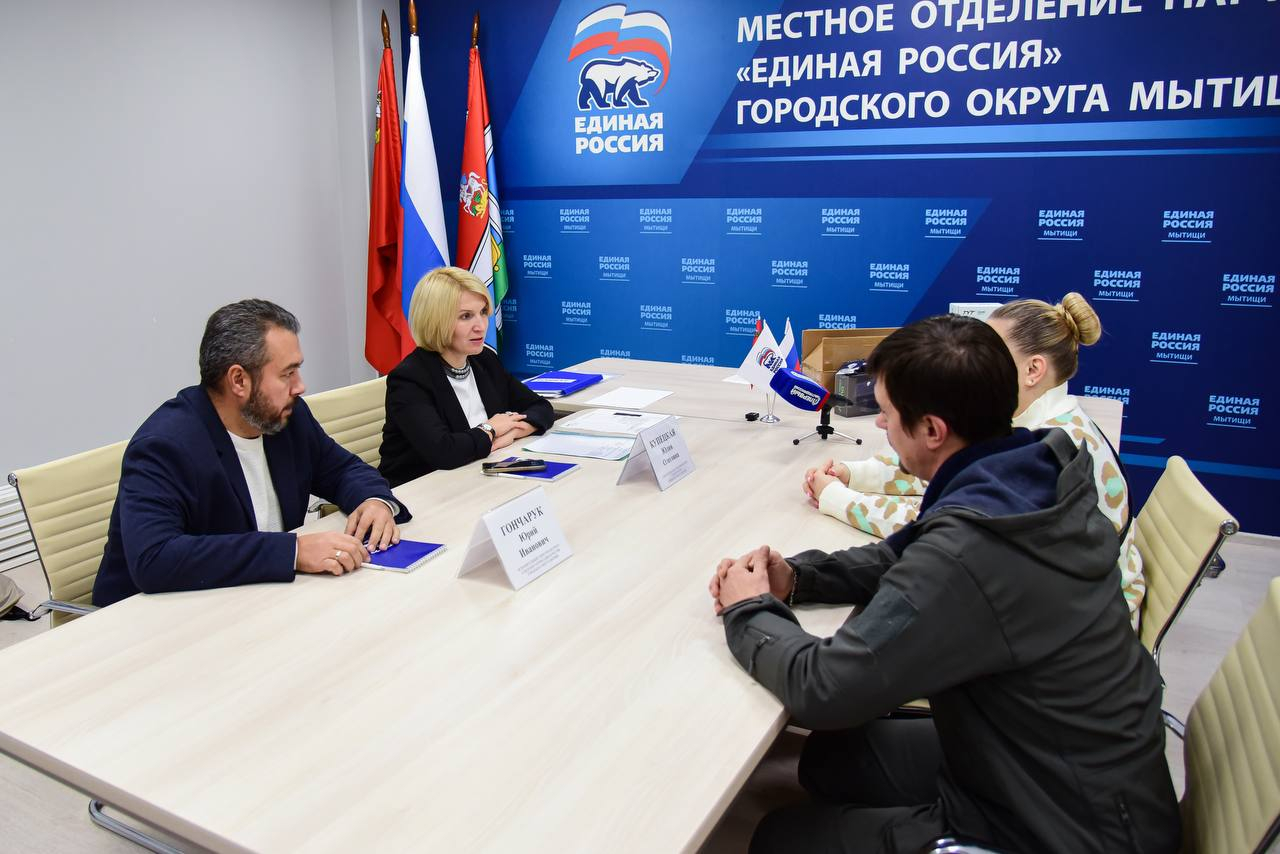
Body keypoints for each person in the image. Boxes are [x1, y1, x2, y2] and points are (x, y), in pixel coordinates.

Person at [711, 315, 1178, 854]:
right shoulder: (1029, 468)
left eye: (887, 414)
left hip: (1067, 829)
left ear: (932, 431)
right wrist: (798, 578)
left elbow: (824, 688)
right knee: (830, 758)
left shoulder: (973, 551)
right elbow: (900, 555)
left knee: (779, 839)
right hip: (1061, 758)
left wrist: (748, 609)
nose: (880, 424)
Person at [804, 293, 1144, 626]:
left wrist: (835, 497)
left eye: (990, 354)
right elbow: (951, 472)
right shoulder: (1043, 423)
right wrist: (856, 474)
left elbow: (937, 528)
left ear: (1033, 370)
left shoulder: (1050, 453)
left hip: (1076, 627)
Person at [93, 300, 410, 607]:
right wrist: (294, 552)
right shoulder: (165, 446)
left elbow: (342, 470)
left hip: (255, 600)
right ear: (239, 380)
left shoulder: (287, 418)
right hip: (150, 621)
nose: (300, 386)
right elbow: (155, 558)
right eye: (287, 374)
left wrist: (373, 501)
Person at [378, 266, 554, 486]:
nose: (480, 326)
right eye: (466, 316)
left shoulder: (484, 360)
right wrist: (490, 428)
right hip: (421, 489)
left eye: (483, 312)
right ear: (436, 320)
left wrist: (513, 432)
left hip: (477, 475)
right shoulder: (410, 379)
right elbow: (444, 452)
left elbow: (541, 408)